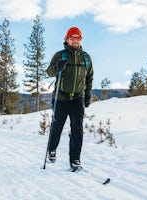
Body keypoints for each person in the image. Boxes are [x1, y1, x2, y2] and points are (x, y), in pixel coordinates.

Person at [46, 26, 94, 170]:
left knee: (77, 130)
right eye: (72, 38)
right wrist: (57, 67)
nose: (75, 41)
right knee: (57, 127)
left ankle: (75, 160)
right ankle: (52, 149)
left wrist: (88, 95)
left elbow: (89, 77)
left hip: (78, 98)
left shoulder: (86, 57)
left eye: (77, 38)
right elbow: (49, 72)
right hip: (61, 98)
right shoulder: (60, 55)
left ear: (80, 40)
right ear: (67, 39)